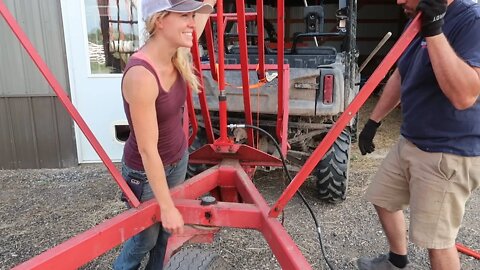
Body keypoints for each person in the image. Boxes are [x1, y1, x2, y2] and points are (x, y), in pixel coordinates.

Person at [357, 0, 480, 269]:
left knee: (438, 242)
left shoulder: (471, 20)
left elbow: (465, 95)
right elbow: (401, 74)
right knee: (382, 198)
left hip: (447, 152)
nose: (399, 1)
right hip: (412, 140)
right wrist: (373, 122)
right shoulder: (418, 21)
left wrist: (435, 32)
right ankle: (397, 262)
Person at [113, 0, 215, 269]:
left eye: (192, 16)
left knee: (165, 235)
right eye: (185, 16)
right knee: (145, 239)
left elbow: (200, 19)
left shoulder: (176, 55)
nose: (192, 23)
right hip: (144, 172)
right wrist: (167, 206)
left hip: (177, 159)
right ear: (160, 20)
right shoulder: (141, 75)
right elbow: (148, 150)